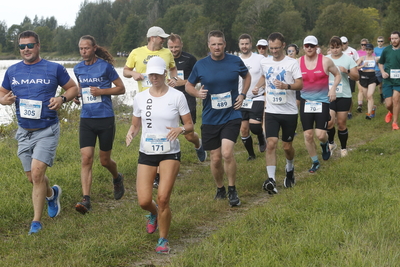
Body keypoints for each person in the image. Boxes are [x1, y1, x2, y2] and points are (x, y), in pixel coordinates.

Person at [0, 30, 78, 234]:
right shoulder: (13, 70)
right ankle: (52, 194)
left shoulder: (54, 68)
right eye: (22, 46)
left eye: (30, 45)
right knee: (32, 178)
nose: (26, 49)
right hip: (23, 131)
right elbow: (2, 92)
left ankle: (36, 222)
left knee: (37, 173)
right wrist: (3, 99)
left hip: (47, 129)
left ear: (38, 46)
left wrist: (61, 99)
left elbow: (73, 88)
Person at [126, 57, 193, 254]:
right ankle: (153, 213)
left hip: (169, 152)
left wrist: (180, 129)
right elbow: (135, 124)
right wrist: (131, 132)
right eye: (150, 74)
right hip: (147, 152)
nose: (153, 77)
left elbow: (189, 125)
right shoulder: (140, 97)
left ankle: (163, 240)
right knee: (144, 201)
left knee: (163, 198)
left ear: (164, 73)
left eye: (157, 74)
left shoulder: (177, 97)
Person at [186, 30, 251, 207]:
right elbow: (188, 85)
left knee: (227, 153)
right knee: (215, 158)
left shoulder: (235, 61)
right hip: (210, 117)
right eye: (213, 44)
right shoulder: (201, 65)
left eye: (220, 44)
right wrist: (197, 93)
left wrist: (243, 94)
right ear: (208, 45)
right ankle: (220, 188)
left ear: (225, 45)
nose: (217, 47)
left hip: (232, 114)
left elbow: (247, 76)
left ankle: (232, 189)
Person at [73, 35, 126, 214]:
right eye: (81, 49)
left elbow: (121, 88)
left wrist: (102, 91)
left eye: (86, 48)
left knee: (104, 161)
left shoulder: (105, 67)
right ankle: (86, 199)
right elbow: (81, 88)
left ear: (94, 48)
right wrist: (77, 96)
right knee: (86, 158)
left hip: (105, 118)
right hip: (87, 118)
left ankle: (117, 177)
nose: (83, 52)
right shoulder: (78, 68)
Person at [255, 32, 303, 193]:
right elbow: (263, 76)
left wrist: (286, 86)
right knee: (271, 144)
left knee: (287, 146)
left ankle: (290, 169)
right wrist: (258, 86)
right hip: (271, 110)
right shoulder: (266, 62)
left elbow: (300, 84)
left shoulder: (292, 63)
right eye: (271, 48)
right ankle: (271, 180)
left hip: (289, 111)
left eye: (276, 48)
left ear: (283, 45)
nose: (274, 51)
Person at [299, 35, 341, 173]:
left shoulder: (326, 61)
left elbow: (338, 75)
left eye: (312, 45)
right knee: (308, 135)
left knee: (321, 135)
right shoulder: (298, 62)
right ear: (304, 47)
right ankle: (315, 162)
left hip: (322, 101)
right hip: (305, 101)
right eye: (307, 46)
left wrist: (333, 88)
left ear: (317, 47)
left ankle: (325, 145)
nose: (309, 48)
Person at [167, 33, 207, 162]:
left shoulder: (190, 59)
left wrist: (182, 82)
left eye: (176, 47)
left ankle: (198, 144)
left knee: (189, 135)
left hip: (186, 97)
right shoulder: (163, 58)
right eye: (171, 47)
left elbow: (199, 79)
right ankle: (168, 158)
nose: (174, 50)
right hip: (168, 98)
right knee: (165, 130)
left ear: (181, 45)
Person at [326, 36, 359, 158]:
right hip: (329, 94)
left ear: (342, 47)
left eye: (337, 47)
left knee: (341, 123)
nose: (335, 50)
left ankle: (343, 148)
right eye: (332, 48)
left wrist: (347, 71)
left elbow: (356, 77)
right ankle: (331, 143)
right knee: (329, 122)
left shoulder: (348, 59)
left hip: (344, 95)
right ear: (329, 48)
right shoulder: (325, 59)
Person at [237, 34, 266, 161]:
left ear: (251, 44)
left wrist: (258, 87)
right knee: (243, 129)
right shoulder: (235, 60)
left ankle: (260, 136)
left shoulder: (259, 58)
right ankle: (251, 155)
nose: (244, 46)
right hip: (241, 99)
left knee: (254, 127)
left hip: (257, 97)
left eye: (246, 44)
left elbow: (265, 75)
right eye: (242, 44)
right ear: (239, 45)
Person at [123, 26, 178, 92]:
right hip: (144, 96)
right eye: (161, 38)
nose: (164, 40)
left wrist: (174, 79)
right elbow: (125, 71)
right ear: (152, 38)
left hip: (164, 94)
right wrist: (133, 73)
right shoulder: (136, 52)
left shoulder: (167, 52)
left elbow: (173, 68)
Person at [379, 31, 400, 130]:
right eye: (392, 38)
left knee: (396, 100)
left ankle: (395, 123)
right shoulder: (387, 50)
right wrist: (382, 72)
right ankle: (390, 112)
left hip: (399, 80)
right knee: (389, 104)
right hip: (388, 79)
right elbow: (381, 63)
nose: (394, 40)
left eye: (396, 38)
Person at [356, 43, 378, 120]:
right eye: (367, 50)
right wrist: (362, 66)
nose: (368, 51)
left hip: (372, 77)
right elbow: (355, 67)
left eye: (369, 50)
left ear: (372, 50)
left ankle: (369, 114)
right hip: (364, 77)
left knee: (369, 95)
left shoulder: (375, 58)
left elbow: (382, 63)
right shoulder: (362, 58)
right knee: (367, 97)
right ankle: (373, 107)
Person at [341, 36, 359, 119]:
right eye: (341, 43)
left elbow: (357, 60)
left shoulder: (352, 51)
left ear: (347, 43)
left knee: (349, 94)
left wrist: (354, 69)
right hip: (340, 76)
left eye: (344, 43)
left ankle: (349, 112)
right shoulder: (337, 51)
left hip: (350, 75)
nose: (343, 45)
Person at [355, 38, 370, 113]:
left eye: (365, 44)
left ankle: (369, 102)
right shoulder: (357, 53)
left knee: (366, 89)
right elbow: (355, 63)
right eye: (362, 44)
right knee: (360, 89)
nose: (363, 46)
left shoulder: (370, 52)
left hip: (368, 72)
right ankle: (359, 105)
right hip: (359, 72)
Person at [374, 36, 386, 103]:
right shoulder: (375, 49)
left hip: (385, 68)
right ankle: (381, 97)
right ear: (377, 42)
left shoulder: (385, 49)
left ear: (383, 42)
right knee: (380, 85)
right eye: (379, 41)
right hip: (377, 69)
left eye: (381, 41)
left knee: (386, 84)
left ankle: (386, 97)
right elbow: (374, 58)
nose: (380, 42)